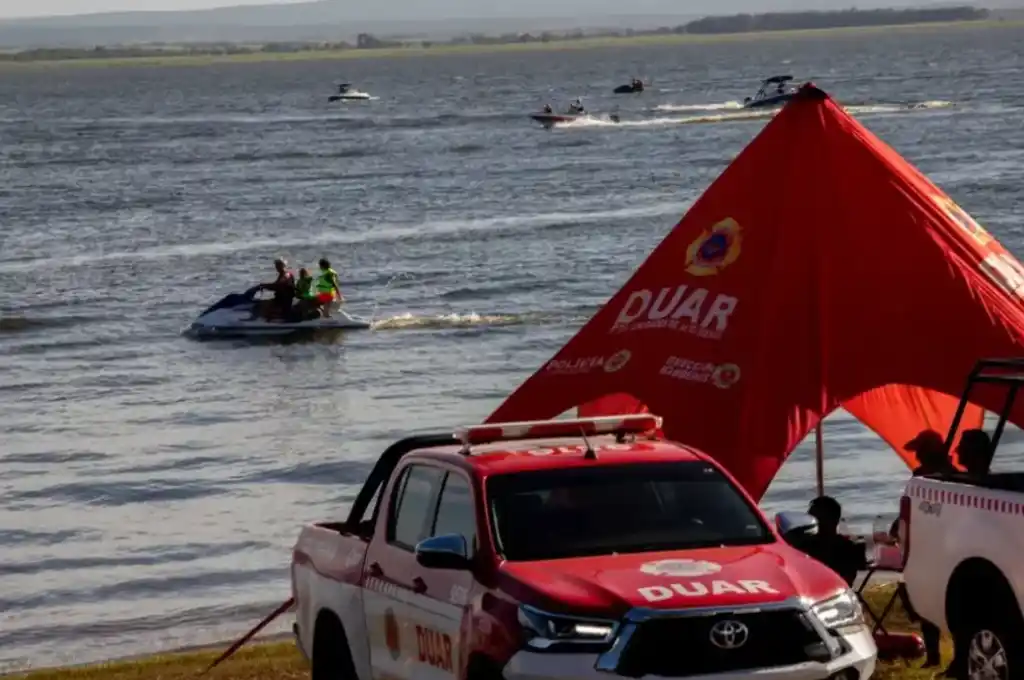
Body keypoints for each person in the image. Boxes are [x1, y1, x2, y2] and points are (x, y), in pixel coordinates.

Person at [796, 496, 866, 587]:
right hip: (840, 590)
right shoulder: (850, 547)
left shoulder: (805, 546)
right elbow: (861, 566)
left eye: (811, 518)